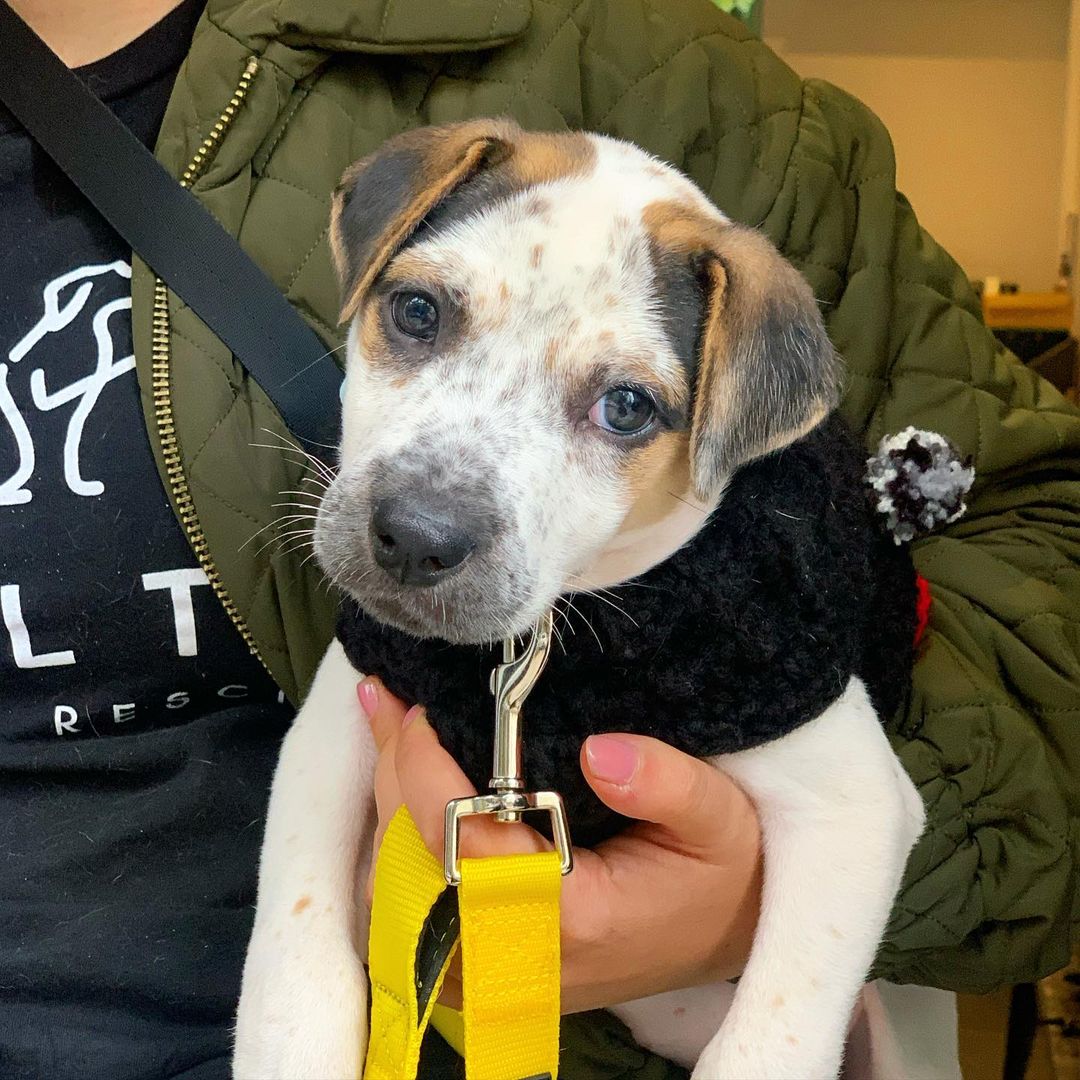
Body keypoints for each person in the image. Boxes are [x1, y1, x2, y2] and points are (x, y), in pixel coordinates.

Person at [1, 0, 1077, 1077]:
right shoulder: (435, 194)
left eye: (619, 408)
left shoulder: (752, 622)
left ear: (724, 425)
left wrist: (725, 912)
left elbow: (873, 797)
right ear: (369, 260)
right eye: (420, 320)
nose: (428, 513)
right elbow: (337, 731)